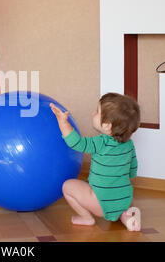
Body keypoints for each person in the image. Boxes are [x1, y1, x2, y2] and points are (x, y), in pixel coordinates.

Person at [50, 93, 141, 231]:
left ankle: (86, 217)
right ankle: (125, 215)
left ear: (107, 126)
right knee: (122, 196)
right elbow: (133, 170)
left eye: (97, 112)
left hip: (100, 203)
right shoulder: (129, 145)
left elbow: (77, 143)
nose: (93, 113)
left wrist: (63, 122)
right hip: (125, 199)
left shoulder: (100, 142)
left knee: (67, 186)